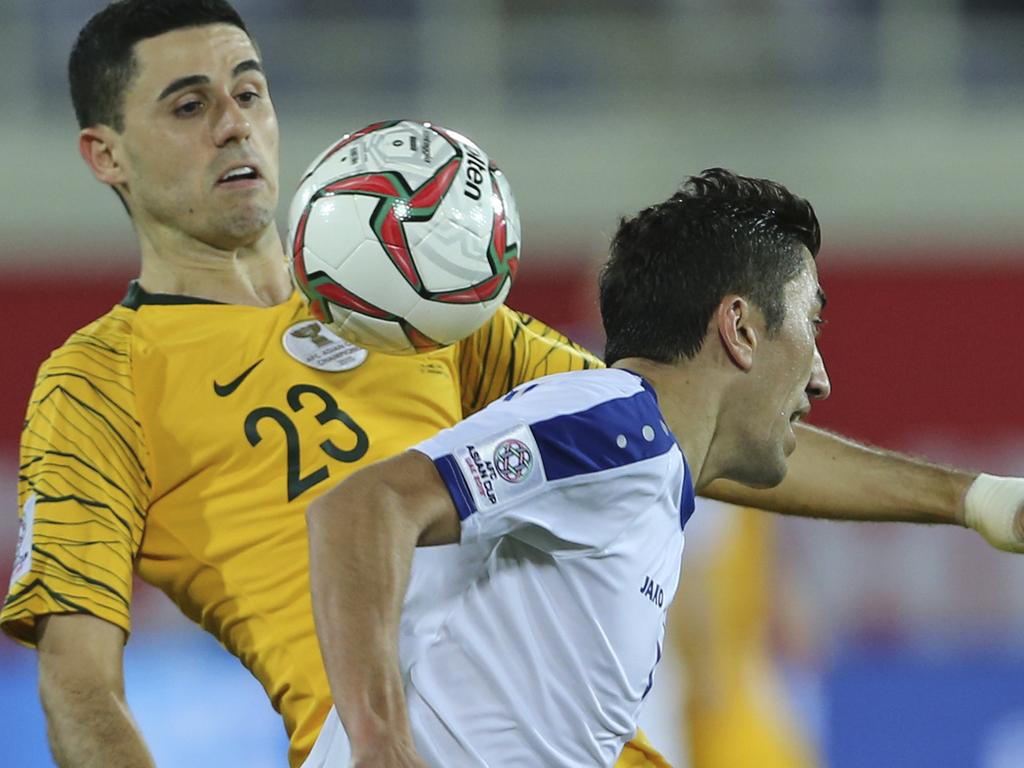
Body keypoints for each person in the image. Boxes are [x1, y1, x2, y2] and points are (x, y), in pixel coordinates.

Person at [3, 2, 1023, 767]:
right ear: (106, 155)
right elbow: (80, 689)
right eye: (188, 105)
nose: (233, 124)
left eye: (249, 91)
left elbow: (687, 428)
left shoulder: (422, 304)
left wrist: (970, 500)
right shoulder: (97, 385)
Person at [300, 169, 834, 767]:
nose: (820, 378)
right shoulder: (614, 428)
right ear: (738, 329)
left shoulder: (649, 478)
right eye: (808, 326)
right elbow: (365, 506)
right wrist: (380, 746)